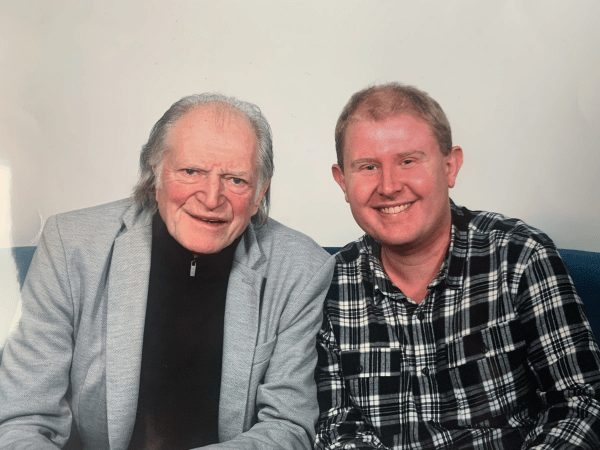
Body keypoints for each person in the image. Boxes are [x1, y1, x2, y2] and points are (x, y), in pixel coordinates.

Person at [0, 93, 335, 449]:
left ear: (259, 193)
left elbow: (287, 427)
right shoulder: (71, 245)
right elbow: (24, 417)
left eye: (236, 180)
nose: (211, 198)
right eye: (191, 172)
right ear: (155, 173)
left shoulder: (300, 268)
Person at [314, 83, 600, 449]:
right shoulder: (327, 286)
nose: (389, 186)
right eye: (368, 167)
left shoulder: (519, 257)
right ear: (343, 181)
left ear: (450, 167)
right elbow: (339, 428)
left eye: (408, 161)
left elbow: (581, 403)